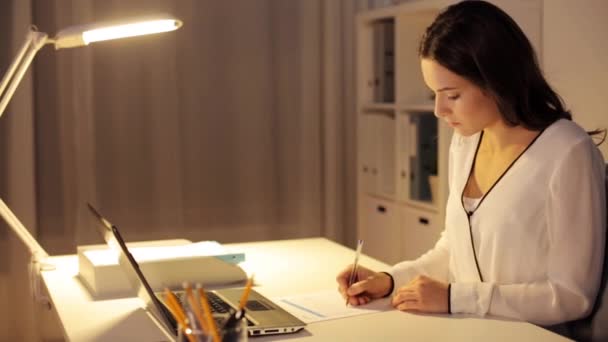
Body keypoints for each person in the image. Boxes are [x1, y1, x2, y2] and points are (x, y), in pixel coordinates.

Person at [337, 0, 607, 326]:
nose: (439, 110)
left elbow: (572, 295)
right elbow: (454, 250)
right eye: (434, 94)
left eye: (452, 96)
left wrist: (454, 298)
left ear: (496, 81)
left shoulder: (568, 153)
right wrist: (390, 279)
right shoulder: (466, 142)